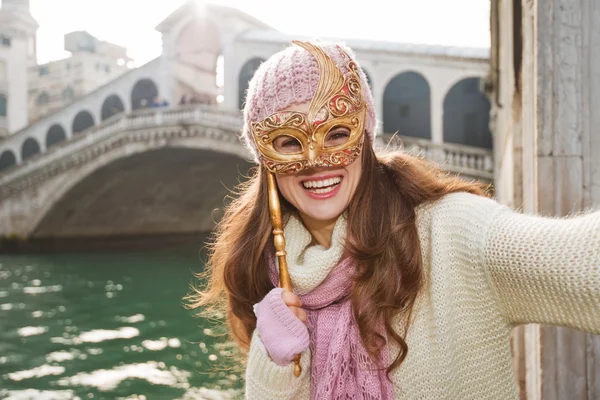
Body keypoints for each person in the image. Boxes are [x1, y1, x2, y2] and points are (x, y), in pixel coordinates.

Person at [186, 40, 600, 399]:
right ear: (265, 158)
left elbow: (583, 261)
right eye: (289, 141)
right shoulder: (270, 274)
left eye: (335, 133)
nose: (315, 161)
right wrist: (276, 367)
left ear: (365, 133)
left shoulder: (452, 233)